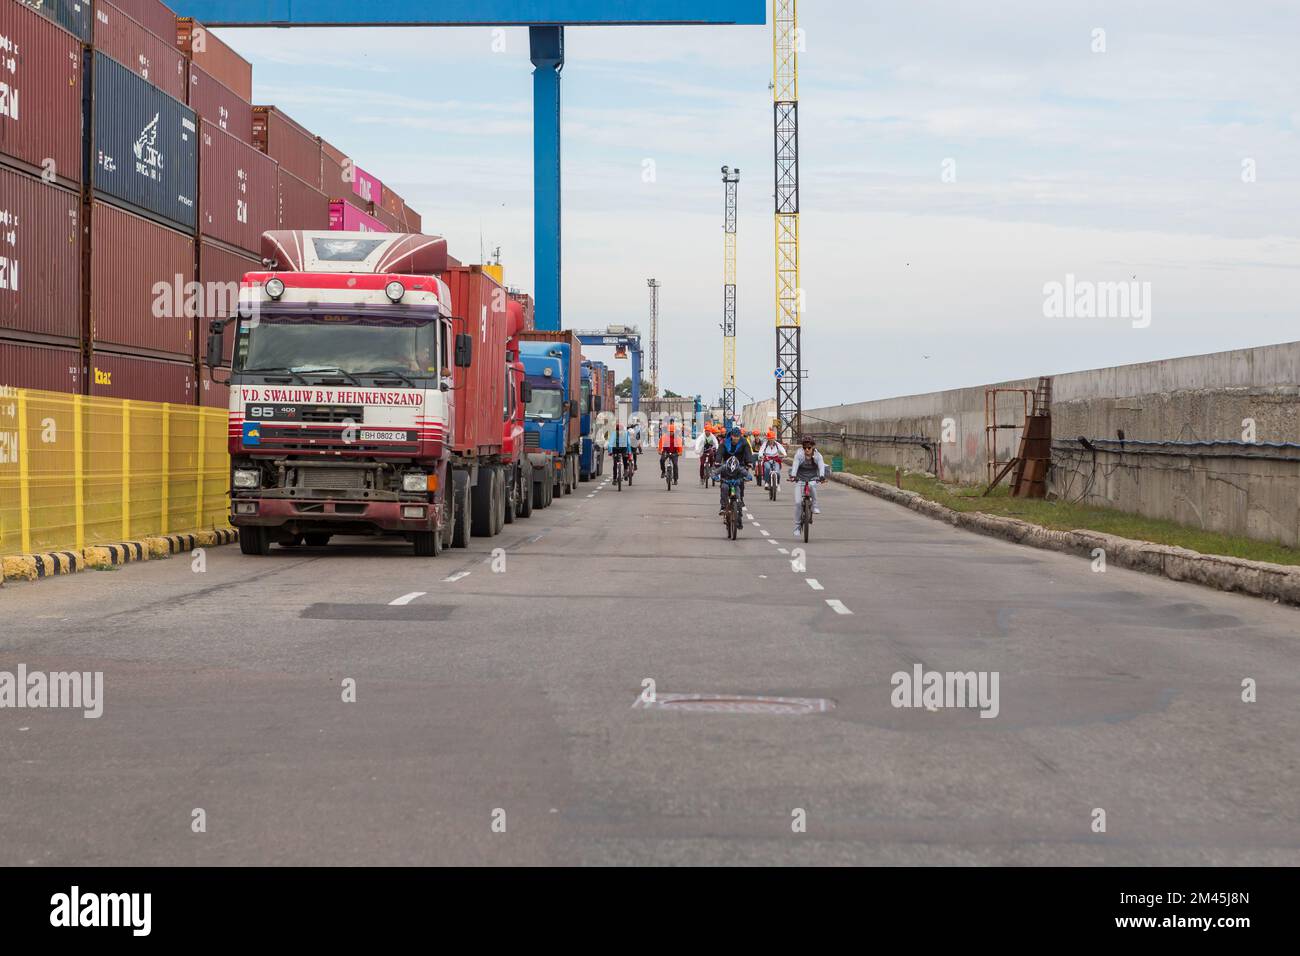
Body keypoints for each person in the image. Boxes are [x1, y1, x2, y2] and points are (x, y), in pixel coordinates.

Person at [789, 434, 827, 535]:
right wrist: (793, 475)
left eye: (809, 447)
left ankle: (814, 505)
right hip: (800, 479)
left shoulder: (818, 456)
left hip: (813, 478)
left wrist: (822, 476)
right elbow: (795, 465)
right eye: (804, 447)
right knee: (797, 503)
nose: (807, 450)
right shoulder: (799, 455)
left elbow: (821, 466)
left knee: (812, 485)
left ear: (813, 447)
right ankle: (797, 527)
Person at [715, 425, 754, 523]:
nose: (736, 439)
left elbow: (748, 453)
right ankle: (723, 506)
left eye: (738, 437)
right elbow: (720, 452)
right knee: (724, 487)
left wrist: (749, 462)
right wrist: (717, 461)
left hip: (739, 465)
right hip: (727, 466)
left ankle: (740, 502)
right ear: (731, 436)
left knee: (740, 485)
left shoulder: (744, 442)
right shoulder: (725, 442)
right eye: (734, 437)